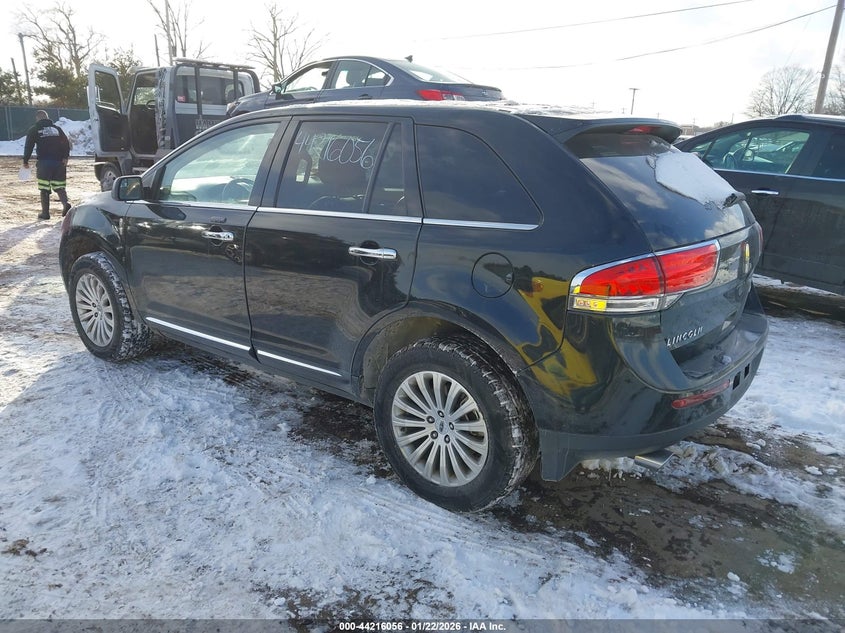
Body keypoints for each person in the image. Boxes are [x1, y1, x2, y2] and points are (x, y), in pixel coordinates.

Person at [22, 110, 72, 220]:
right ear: (47, 117)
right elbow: (66, 143)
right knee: (59, 186)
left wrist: (25, 160)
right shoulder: (57, 129)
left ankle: (45, 213)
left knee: (44, 188)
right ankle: (65, 204)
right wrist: (65, 157)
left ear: (37, 118)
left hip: (44, 163)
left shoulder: (35, 129)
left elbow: (29, 146)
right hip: (59, 163)